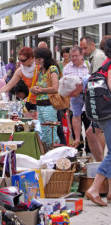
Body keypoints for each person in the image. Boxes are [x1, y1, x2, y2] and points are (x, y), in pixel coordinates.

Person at [85, 38, 111, 206]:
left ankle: (109, 192)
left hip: (101, 115)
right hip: (109, 114)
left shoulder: (105, 65)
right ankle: (94, 189)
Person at [59, 76, 104, 162]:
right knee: (90, 133)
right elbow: (76, 117)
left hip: (104, 110)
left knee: (98, 133)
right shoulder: (74, 95)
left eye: (71, 93)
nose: (71, 96)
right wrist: (77, 138)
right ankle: (99, 163)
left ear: (77, 85)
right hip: (98, 114)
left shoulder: (92, 82)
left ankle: (103, 166)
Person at [63, 46, 91, 151]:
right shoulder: (67, 68)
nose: (74, 58)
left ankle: (90, 148)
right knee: (75, 119)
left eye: (76, 56)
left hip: (88, 100)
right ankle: (78, 144)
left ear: (82, 55)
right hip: (74, 99)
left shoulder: (88, 65)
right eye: (72, 56)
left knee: (90, 127)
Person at [30, 47, 60, 147]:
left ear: (41, 59)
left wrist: (41, 90)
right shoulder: (40, 70)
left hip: (49, 105)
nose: (34, 60)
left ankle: (55, 155)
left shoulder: (52, 69)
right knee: (43, 132)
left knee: (50, 132)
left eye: (35, 58)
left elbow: (55, 88)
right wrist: (33, 89)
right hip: (40, 105)